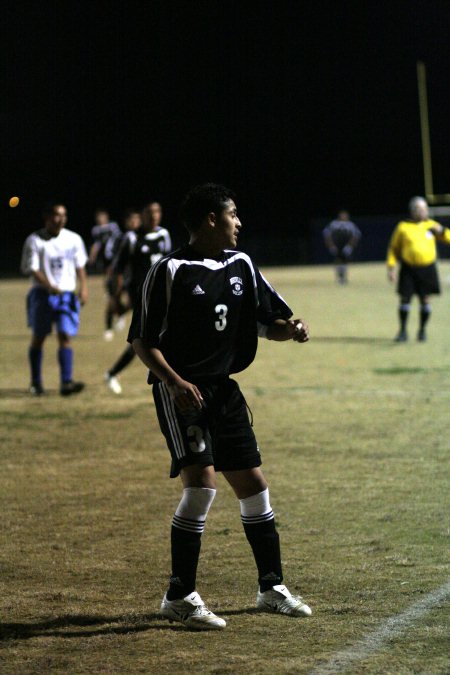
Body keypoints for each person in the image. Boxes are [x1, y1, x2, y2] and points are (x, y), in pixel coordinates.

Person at [128, 183, 312, 630]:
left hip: (225, 392)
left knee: (254, 486)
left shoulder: (241, 264)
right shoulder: (168, 271)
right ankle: (179, 596)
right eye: (233, 215)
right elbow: (142, 341)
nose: (239, 224)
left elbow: (266, 321)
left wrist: (291, 329)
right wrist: (174, 382)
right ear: (211, 219)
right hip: (182, 392)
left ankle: (271, 587)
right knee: (202, 487)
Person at [21, 202, 88, 396]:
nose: (61, 219)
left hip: (66, 295)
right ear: (47, 217)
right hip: (42, 295)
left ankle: (66, 383)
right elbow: (32, 268)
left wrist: (83, 288)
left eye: (64, 215)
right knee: (39, 337)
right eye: (57, 215)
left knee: (65, 336)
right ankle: (35, 383)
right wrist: (50, 286)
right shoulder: (35, 240)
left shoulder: (73, 239)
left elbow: (80, 266)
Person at [104, 204, 171, 394]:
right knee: (144, 340)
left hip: (162, 295)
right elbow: (117, 269)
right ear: (142, 215)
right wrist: (116, 297)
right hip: (141, 297)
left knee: (153, 338)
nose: (154, 216)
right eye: (150, 213)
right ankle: (113, 373)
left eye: (157, 212)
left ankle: (156, 372)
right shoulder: (132, 238)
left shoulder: (164, 235)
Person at [386, 196, 450, 342]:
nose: (423, 211)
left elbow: (449, 238)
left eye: (425, 208)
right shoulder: (403, 227)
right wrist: (391, 268)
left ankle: (422, 331)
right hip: (408, 268)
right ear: (413, 211)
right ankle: (403, 331)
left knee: (425, 300)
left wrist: (442, 231)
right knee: (405, 299)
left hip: (427, 269)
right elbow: (394, 248)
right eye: (420, 209)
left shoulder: (432, 225)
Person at [88, 209, 124, 341]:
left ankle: (120, 315)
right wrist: (92, 255)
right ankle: (112, 324)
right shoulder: (96, 230)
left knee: (117, 293)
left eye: (102, 217)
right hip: (106, 263)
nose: (100, 220)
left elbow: (120, 241)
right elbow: (96, 244)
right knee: (111, 293)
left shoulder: (113, 227)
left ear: (106, 217)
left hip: (117, 263)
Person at [323, 210, 361, 284]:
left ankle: (343, 277)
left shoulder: (350, 224)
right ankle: (339, 277)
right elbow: (326, 234)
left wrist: (350, 246)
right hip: (337, 245)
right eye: (342, 215)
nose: (344, 216)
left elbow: (356, 235)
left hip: (346, 245)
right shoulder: (334, 224)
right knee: (338, 260)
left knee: (344, 261)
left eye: (345, 215)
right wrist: (331, 245)